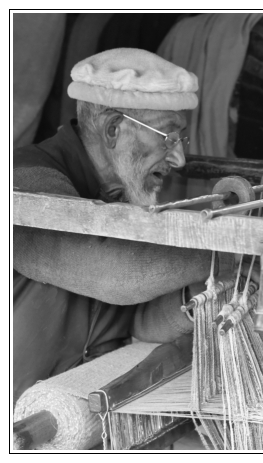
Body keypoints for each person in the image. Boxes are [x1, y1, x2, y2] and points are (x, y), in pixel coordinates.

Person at [13, 48, 235, 403]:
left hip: (80, 420)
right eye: (168, 137)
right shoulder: (22, 178)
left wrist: (203, 295)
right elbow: (111, 273)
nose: (178, 158)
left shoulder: (123, 195)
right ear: (114, 130)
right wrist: (232, 253)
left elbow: (140, 324)